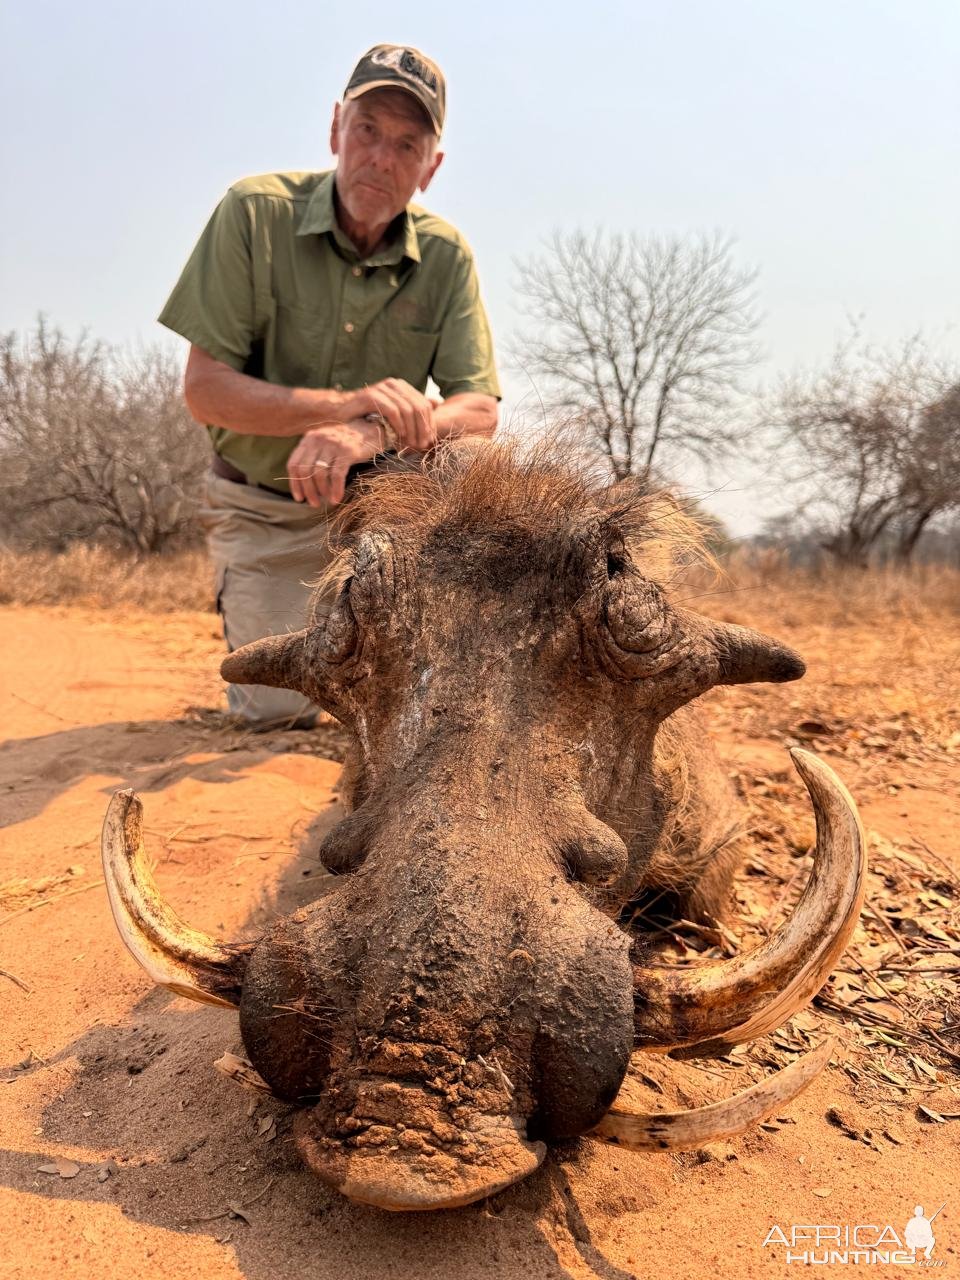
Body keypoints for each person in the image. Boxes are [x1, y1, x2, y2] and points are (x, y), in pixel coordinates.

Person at [159, 44, 500, 729]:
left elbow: (480, 409)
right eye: (368, 129)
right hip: (265, 510)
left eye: (407, 143)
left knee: (422, 709)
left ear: (431, 168)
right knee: (281, 714)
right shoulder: (252, 212)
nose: (380, 157)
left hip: (384, 515)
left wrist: (366, 432)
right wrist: (351, 402)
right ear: (335, 129)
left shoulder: (447, 254)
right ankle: (260, 620)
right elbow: (206, 392)